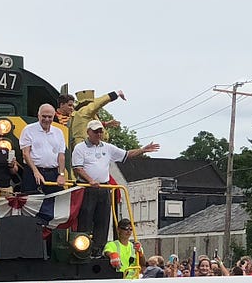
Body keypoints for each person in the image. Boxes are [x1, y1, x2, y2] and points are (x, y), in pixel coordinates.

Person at [71, 120, 159, 253]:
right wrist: (90, 180)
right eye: (95, 131)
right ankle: (82, 250)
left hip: (104, 188)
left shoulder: (107, 147)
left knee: (103, 220)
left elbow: (126, 154)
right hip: (87, 188)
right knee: (85, 218)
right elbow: (77, 168)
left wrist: (142, 150)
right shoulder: (80, 148)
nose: (98, 134)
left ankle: (98, 250)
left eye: (100, 131)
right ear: (88, 132)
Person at [19, 104, 68, 192]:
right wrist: (36, 172)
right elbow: (26, 153)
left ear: (54, 117)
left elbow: (61, 155)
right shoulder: (28, 130)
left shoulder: (58, 132)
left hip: (53, 173)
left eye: (50, 117)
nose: (47, 119)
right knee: (32, 201)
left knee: (53, 202)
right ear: (38, 116)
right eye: (44, 116)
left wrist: (61, 174)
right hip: (32, 172)